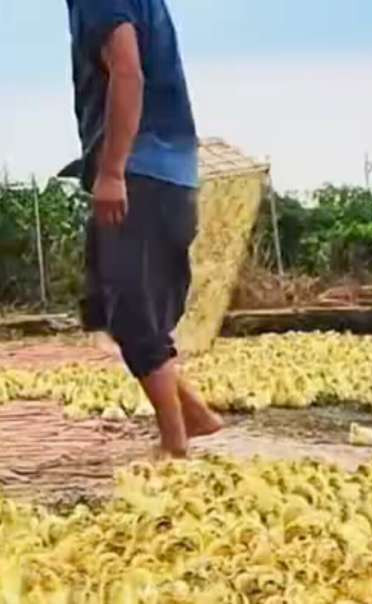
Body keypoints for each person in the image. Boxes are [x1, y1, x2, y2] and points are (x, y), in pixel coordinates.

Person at [66, 0, 222, 457]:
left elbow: (128, 72)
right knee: (106, 305)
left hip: (141, 171)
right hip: (161, 171)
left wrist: (113, 171)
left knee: (132, 310)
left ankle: (174, 445)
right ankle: (195, 414)